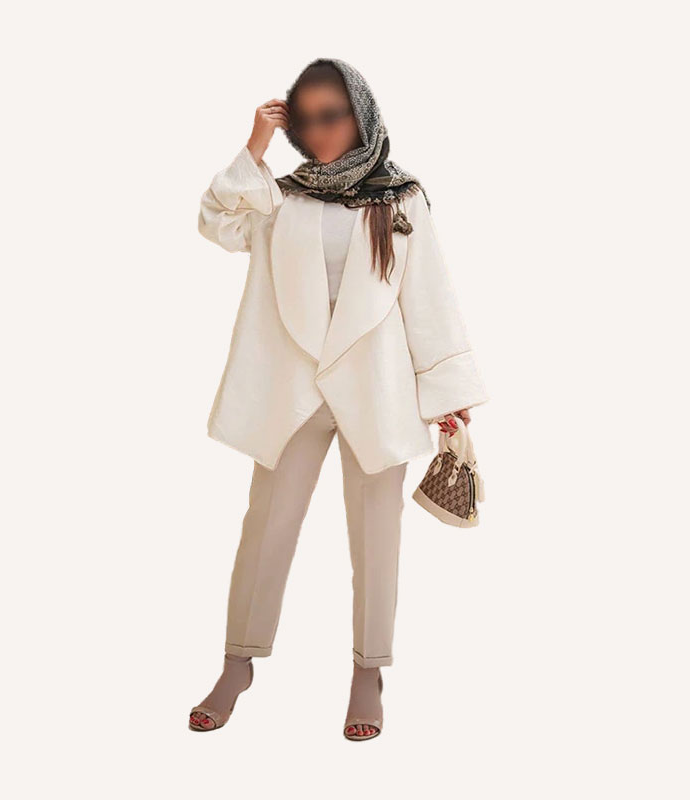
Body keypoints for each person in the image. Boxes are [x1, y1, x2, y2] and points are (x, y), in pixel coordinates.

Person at [189, 58, 489, 741]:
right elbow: (215, 221)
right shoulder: (281, 196)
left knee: (378, 537)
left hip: (377, 390)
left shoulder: (401, 198)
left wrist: (445, 392)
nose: (319, 131)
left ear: (361, 113)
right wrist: (255, 147)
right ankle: (237, 663)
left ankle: (368, 671)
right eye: (305, 120)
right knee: (266, 526)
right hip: (294, 389)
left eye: (333, 115)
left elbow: (430, 297)